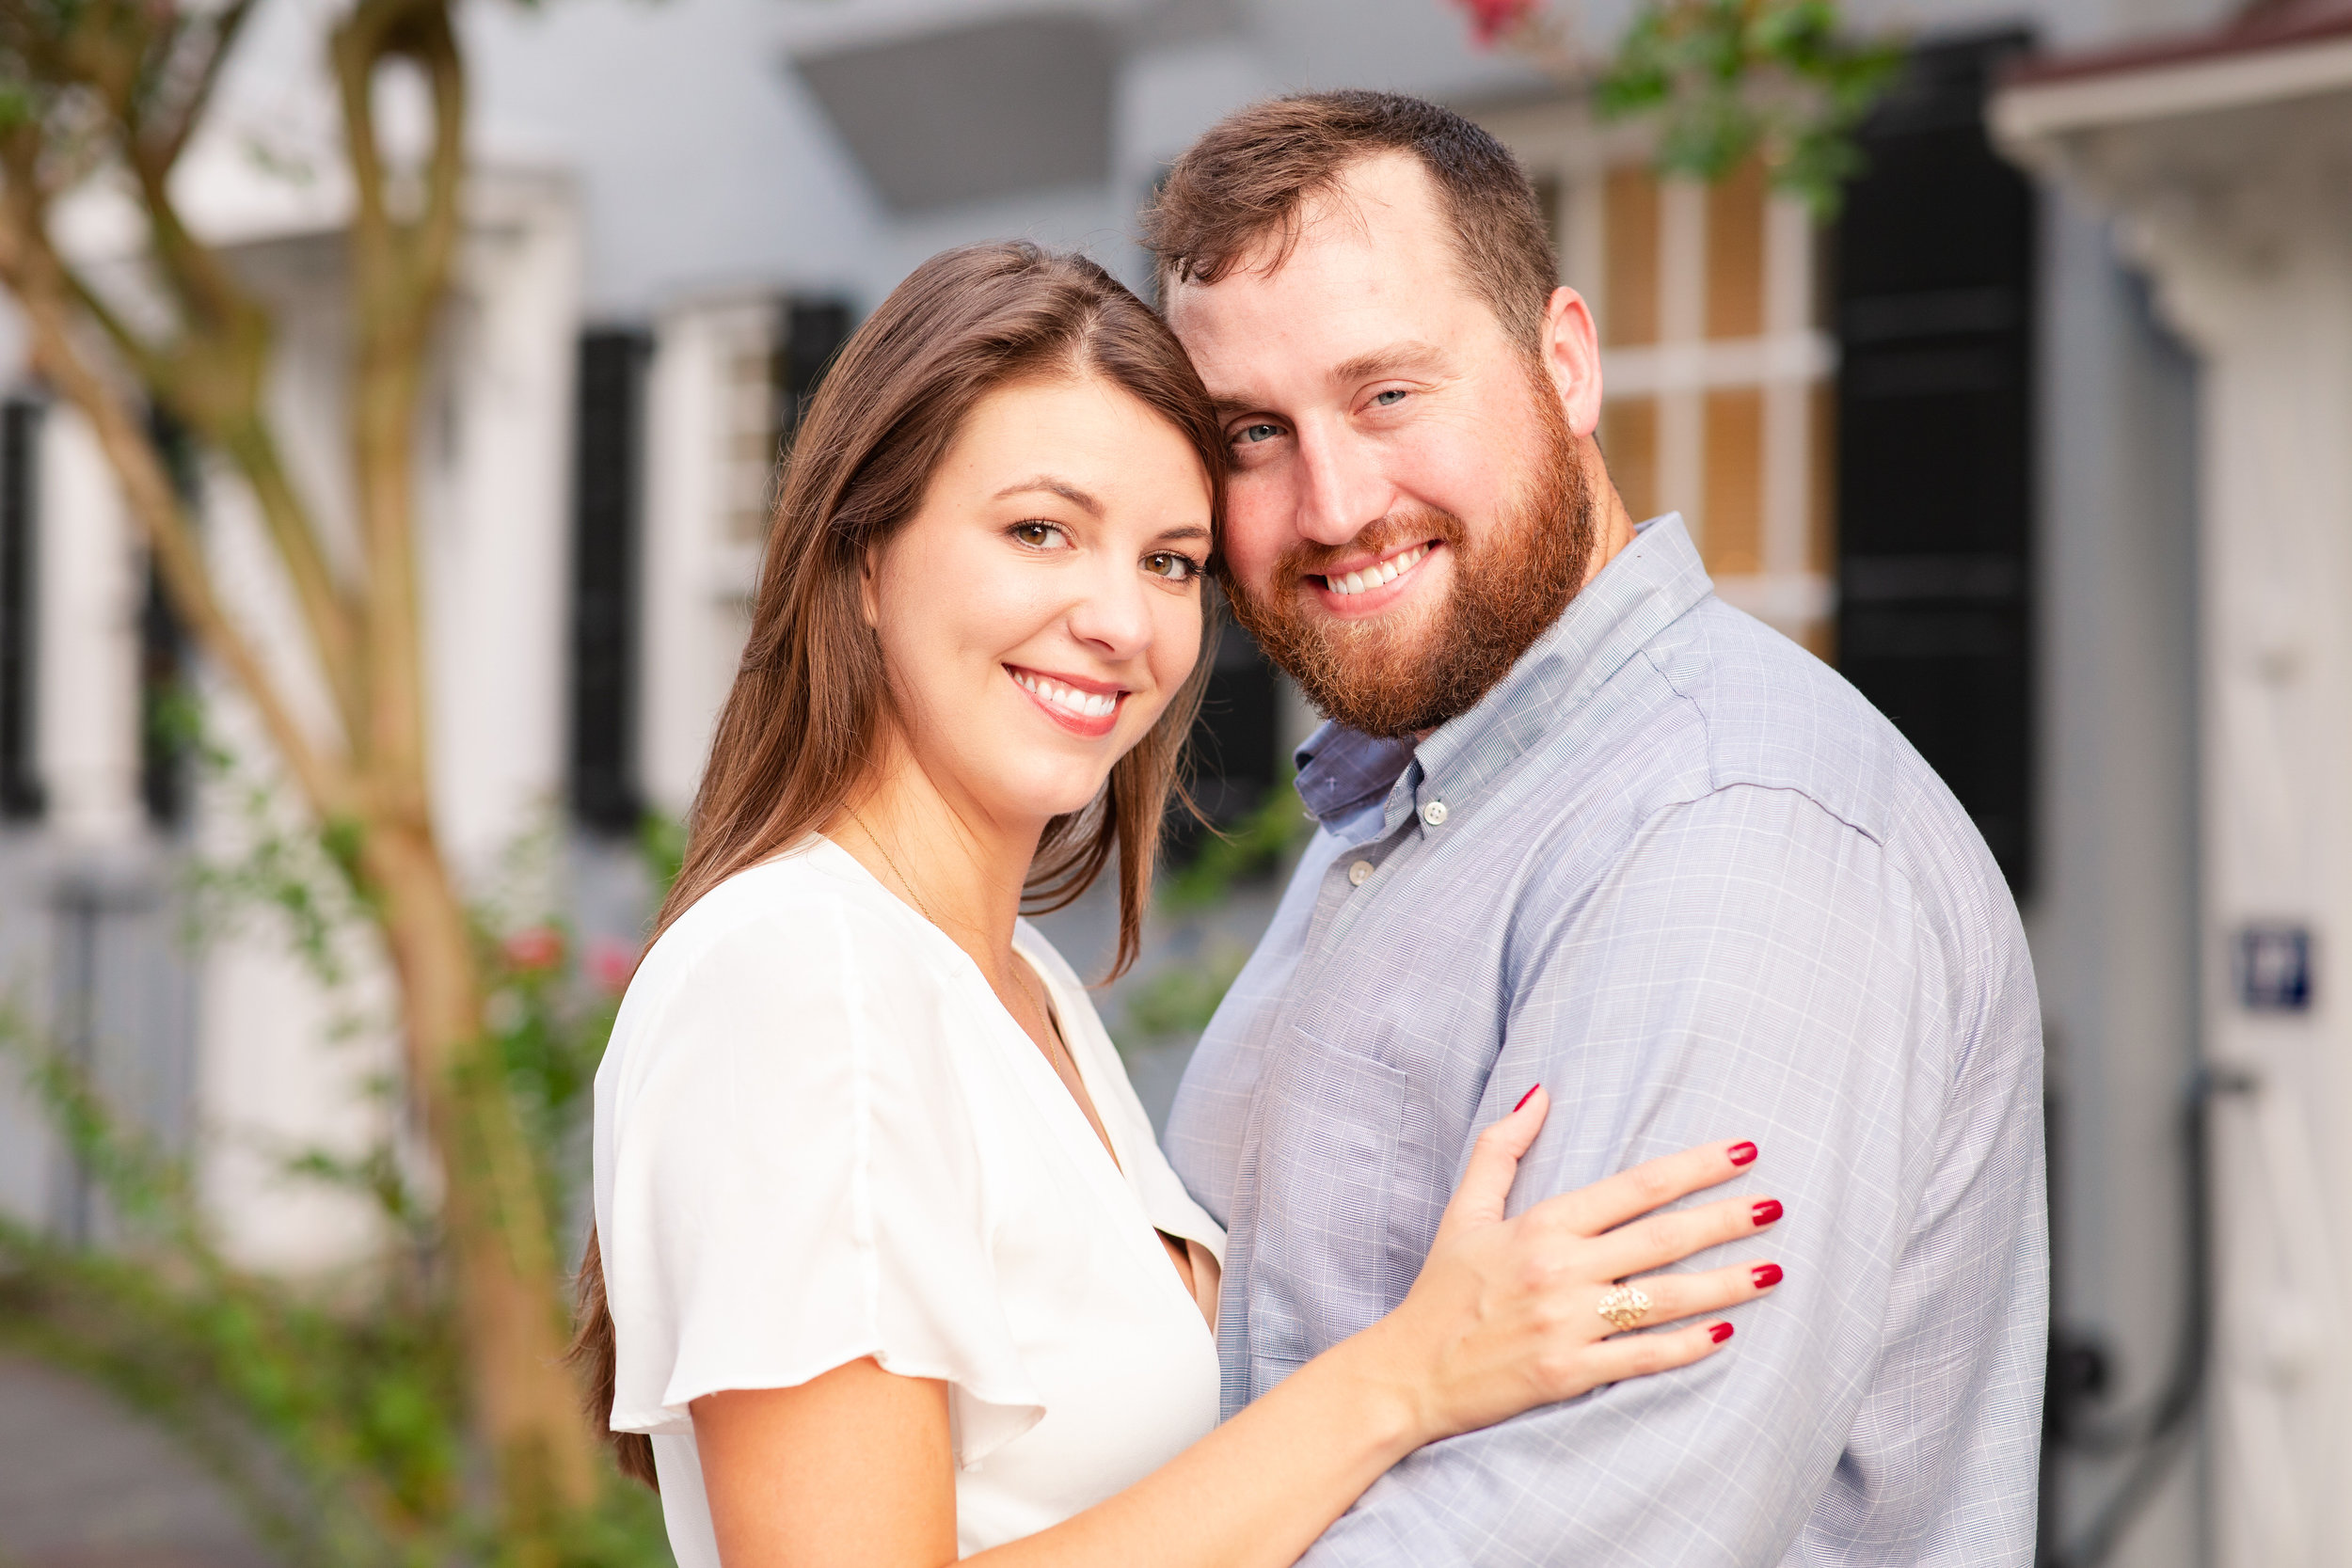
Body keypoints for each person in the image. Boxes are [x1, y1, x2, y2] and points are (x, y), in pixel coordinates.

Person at [572, 242, 1788, 1568]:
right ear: (863, 558)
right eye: (1040, 530)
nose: (1119, 620)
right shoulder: (802, 983)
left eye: (1171, 562)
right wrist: (1403, 1380)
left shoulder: (1014, 986)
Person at [1148, 90, 2047, 1565]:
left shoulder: (1730, 836)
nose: (1333, 502)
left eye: (1387, 394)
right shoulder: (1418, 794)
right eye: (1254, 431)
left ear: (1563, 361)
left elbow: (1583, 1534)